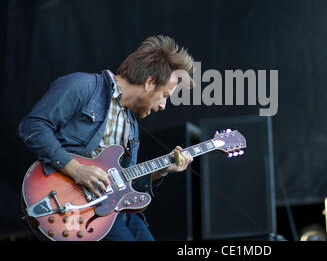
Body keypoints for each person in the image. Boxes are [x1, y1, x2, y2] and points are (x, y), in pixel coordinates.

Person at [19, 35, 195, 241]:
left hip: (110, 210)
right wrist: (76, 169)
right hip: (69, 205)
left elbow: (124, 182)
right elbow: (33, 126)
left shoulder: (132, 126)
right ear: (149, 82)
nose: (163, 105)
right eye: (165, 95)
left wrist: (162, 170)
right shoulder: (83, 87)